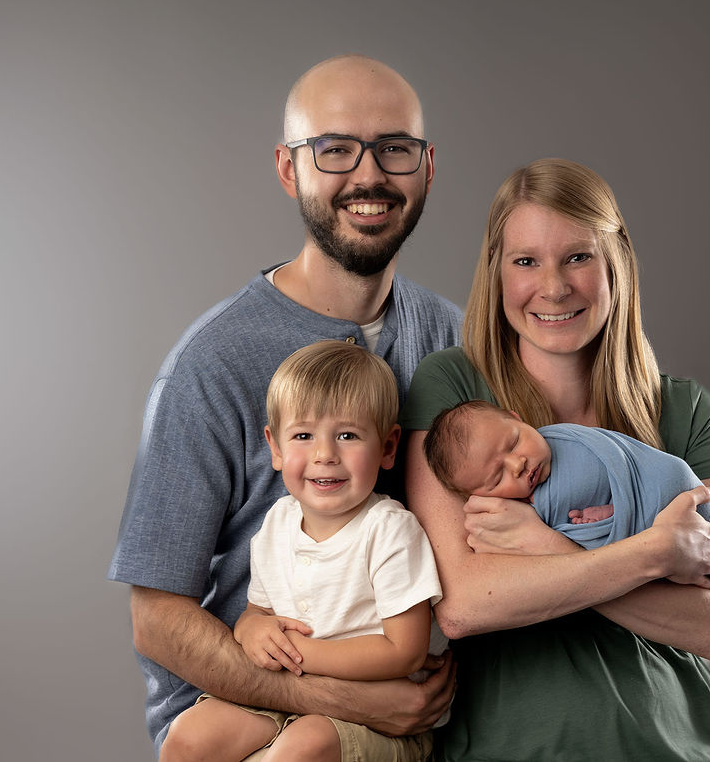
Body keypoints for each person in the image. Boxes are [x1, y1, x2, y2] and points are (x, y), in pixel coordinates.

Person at [108, 55, 461, 755]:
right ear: (288, 168)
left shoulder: (455, 339)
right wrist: (326, 694)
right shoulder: (211, 364)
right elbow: (155, 617)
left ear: (426, 166)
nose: (368, 175)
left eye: (394, 148)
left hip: (411, 716)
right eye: (334, 149)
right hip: (245, 710)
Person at [401, 157, 710, 760]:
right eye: (526, 261)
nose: (555, 286)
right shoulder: (454, 391)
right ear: (497, 273)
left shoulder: (689, 413)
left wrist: (542, 547)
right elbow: (465, 604)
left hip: (677, 746)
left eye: (579, 257)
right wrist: (653, 554)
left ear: (617, 265)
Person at [161, 341, 447, 762]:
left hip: (378, 715)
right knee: (188, 737)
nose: (324, 455)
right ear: (275, 447)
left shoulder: (389, 530)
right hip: (288, 696)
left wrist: (299, 656)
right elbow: (259, 611)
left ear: (387, 447)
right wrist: (250, 630)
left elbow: (404, 651)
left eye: (347, 435)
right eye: (303, 435)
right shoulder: (278, 522)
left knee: (303, 748)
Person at [423, 399, 710, 548]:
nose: (518, 465)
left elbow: (621, 456)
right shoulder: (521, 515)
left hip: (672, 484)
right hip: (662, 527)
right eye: (497, 478)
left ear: (517, 418)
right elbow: (582, 563)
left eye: (514, 442)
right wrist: (610, 517)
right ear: (480, 497)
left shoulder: (563, 438)